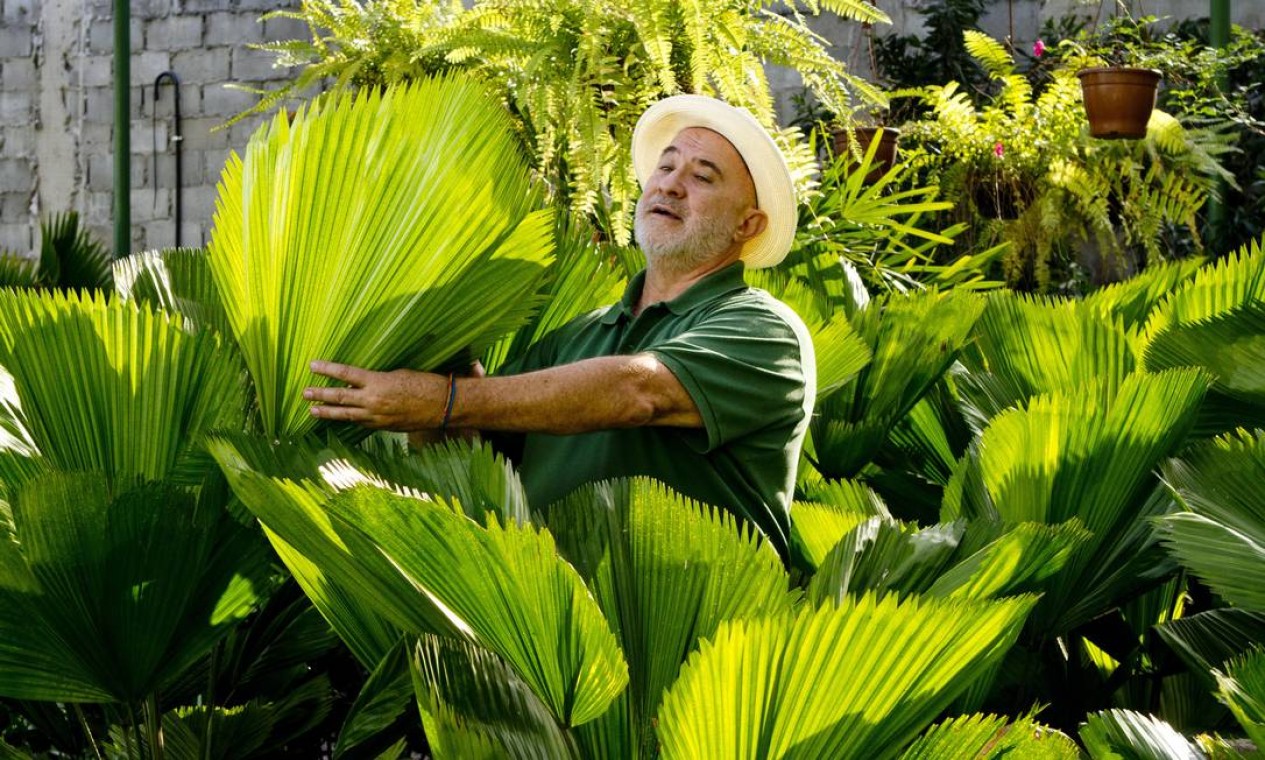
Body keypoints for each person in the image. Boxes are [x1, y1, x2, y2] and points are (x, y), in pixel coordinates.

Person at [304, 95, 816, 560]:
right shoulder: (579, 337)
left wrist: (442, 398)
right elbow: (474, 452)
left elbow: (636, 392)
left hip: (698, 644)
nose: (669, 184)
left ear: (747, 225)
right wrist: (427, 343)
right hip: (553, 639)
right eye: (665, 166)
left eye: (703, 177)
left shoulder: (764, 330)